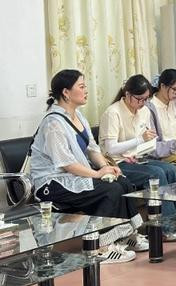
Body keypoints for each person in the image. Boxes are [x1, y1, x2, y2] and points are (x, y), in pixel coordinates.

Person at [30, 69, 144, 264]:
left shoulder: (79, 116)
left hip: (72, 177)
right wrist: (97, 174)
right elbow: (66, 163)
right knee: (110, 191)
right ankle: (98, 247)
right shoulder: (53, 123)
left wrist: (107, 168)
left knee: (122, 182)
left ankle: (125, 236)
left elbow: (92, 149)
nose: (86, 91)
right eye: (81, 87)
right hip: (52, 183)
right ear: (66, 92)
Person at [99, 74, 176, 242]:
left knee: (170, 169)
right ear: (127, 94)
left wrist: (147, 143)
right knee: (156, 174)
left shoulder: (144, 111)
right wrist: (140, 140)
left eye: (146, 99)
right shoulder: (113, 113)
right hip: (117, 162)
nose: (143, 103)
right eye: (139, 99)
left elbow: (148, 141)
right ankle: (166, 228)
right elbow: (110, 148)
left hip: (137, 158)